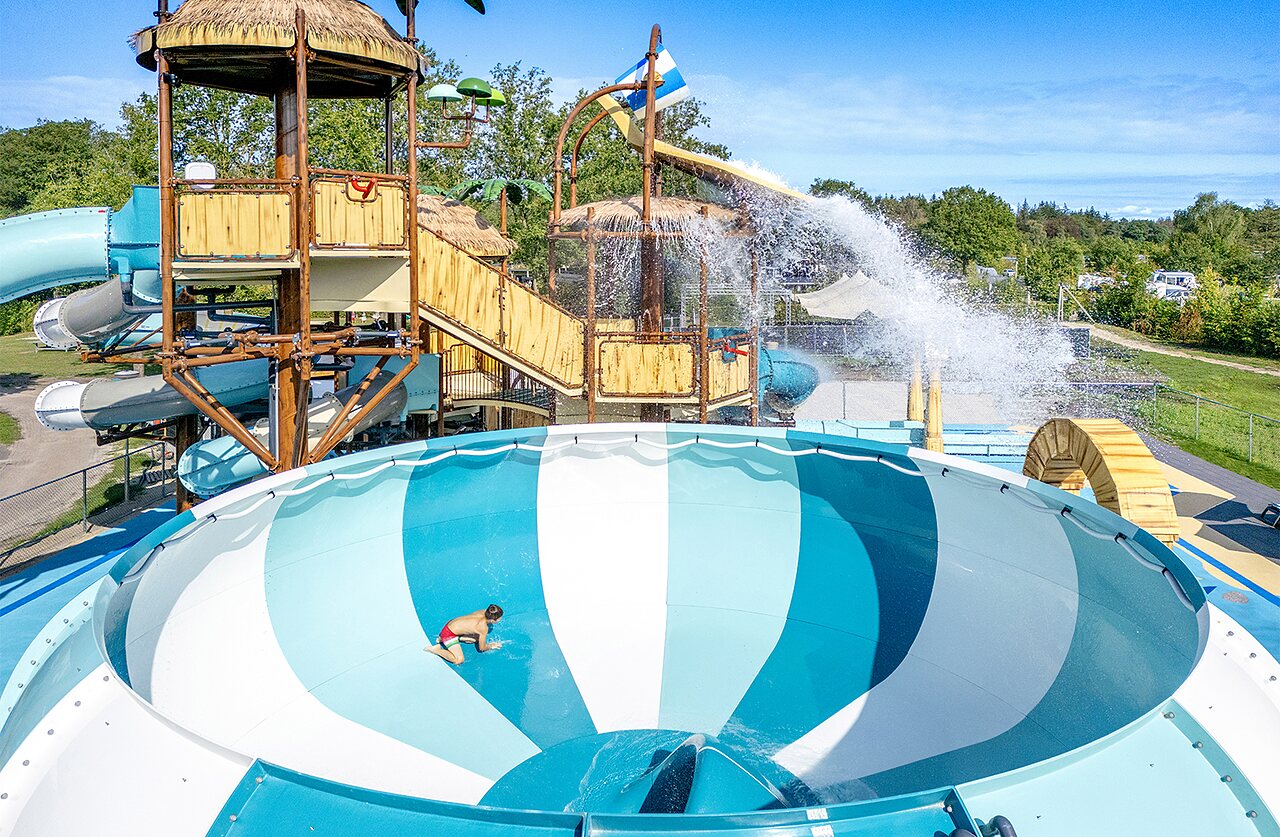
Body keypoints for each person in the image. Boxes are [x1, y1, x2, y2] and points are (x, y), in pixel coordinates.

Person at [426, 604, 504, 665]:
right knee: (459, 660)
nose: (501, 619)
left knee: (477, 638)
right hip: (448, 634)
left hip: (451, 623)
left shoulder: (482, 611)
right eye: (499, 618)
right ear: (493, 621)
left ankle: (448, 638)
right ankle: (437, 649)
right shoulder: (483, 628)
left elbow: (470, 625)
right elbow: (482, 648)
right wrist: (491, 645)